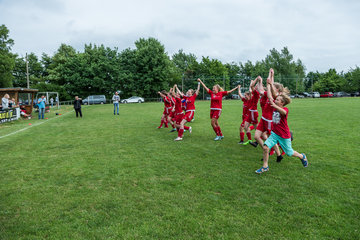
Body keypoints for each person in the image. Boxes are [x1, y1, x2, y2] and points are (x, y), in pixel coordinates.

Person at [255, 80, 308, 174]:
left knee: (289, 153)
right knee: (266, 147)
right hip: (275, 134)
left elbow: (283, 112)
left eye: (278, 100)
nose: (275, 100)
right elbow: (270, 95)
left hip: (284, 135)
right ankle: (265, 166)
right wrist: (269, 84)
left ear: (282, 103)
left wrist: (275, 105)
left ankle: (302, 156)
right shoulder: (274, 103)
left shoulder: (285, 109)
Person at [253, 69, 283, 162]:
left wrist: (271, 76)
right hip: (263, 118)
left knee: (271, 138)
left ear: (277, 89)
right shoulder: (269, 92)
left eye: (273, 86)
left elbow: (270, 85)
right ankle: (266, 150)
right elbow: (262, 90)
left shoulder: (277, 96)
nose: (271, 86)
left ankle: (278, 155)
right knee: (257, 137)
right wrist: (271, 75)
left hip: (270, 120)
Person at [245, 77, 261, 146]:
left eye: (256, 86)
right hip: (250, 112)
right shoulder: (253, 93)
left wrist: (256, 79)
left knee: (257, 128)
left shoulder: (257, 93)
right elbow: (250, 88)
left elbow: (251, 86)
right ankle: (250, 140)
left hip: (253, 112)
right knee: (246, 127)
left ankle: (258, 141)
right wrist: (252, 82)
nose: (255, 86)